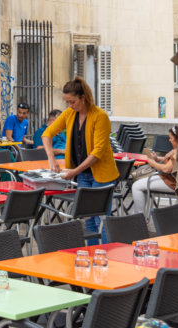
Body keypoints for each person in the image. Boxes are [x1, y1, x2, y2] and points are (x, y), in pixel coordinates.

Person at [44, 77, 118, 244]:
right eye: (67, 102)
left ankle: (106, 256)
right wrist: (51, 158)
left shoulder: (100, 116)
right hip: (83, 174)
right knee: (88, 218)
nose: (70, 105)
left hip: (102, 174)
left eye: (72, 101)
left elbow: (97, 152)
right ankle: (92, 254)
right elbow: (47, 134)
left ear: (83, 97)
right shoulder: (70, 113)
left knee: (101, 217)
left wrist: (74, 172)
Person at [131, 126, 178, 216]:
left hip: (171, 182)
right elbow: (171, 162)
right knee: (140, 185)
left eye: (171, 138)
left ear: (177, 139)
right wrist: (157, 158)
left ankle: (138, 217)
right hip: (169, 179)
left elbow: (167, 168)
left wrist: (152, 162)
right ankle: (142, 216)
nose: (169, 140)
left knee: (136, 186)